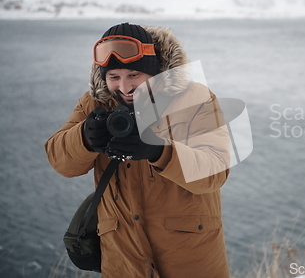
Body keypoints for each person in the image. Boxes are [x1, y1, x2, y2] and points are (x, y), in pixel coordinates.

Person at [45, 23, 231, 278]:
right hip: (122, 262)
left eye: (134, 75)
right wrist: (84, 138)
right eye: (114, 77)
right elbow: (60, 162)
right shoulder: (94, 102)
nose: (124, 87)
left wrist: (160, 152)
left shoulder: (194, 98)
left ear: (154, 72)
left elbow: (215, 172)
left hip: (191, 261)